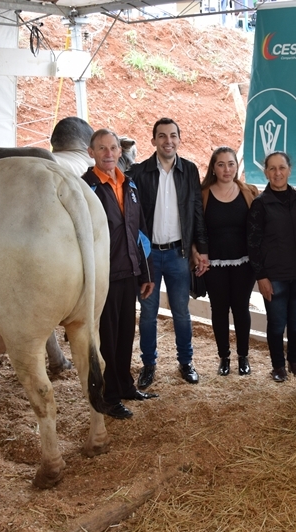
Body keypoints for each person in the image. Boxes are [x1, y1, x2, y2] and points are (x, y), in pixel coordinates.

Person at [81, 129, 157, 419]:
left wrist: (145, 273)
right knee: (108, 338)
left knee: (126, 333)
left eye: (113, 148)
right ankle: (109, 396)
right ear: (91, 153)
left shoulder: (130, 185)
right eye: (102, 148)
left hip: (129, 273)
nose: (108, 153)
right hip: (103, 276)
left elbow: (140, 233)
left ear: (120, 151)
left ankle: (125, 385)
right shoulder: (85, 188)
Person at [128, 118, 208, 389]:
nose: (168, 141)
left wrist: (201, 249)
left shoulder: (189, 170)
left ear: (179, 140)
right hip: (149, 256)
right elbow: (133, 217)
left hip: (178, 254)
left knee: (181, 312)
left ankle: (186, 362)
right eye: (162, 136)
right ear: (153, 141)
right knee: (148, 313)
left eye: (173, 135)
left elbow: (196, 212)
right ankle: (148, 364)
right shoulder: (139, 172)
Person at [247, 152, 296, 382]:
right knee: (276, 323)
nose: (278, 173)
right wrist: (261, 277)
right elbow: (253, 244)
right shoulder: (260, 204)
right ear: (266, 172)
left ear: (289, 170)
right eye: (272, 169)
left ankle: (295, 362)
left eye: (282, 168)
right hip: (274, 275)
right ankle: (278, 366)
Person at [199, 147, 258, 376]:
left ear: (237, 166)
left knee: (241, 308)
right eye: (221, 164)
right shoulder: (203, 194)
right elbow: (196, 228)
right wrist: (197, 252)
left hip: (244, 263)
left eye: (231, 164)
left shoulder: (249, 192)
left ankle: (243, 356)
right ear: (213, 168)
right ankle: (224, 357)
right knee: (219, 309)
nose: (227, 169)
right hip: (213, 264)